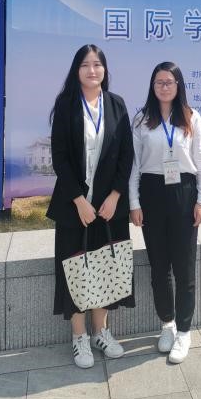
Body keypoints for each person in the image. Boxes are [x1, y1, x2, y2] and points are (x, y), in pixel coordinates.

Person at [47, 44, 134, 368]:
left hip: (109, 207)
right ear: (77, 70)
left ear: (105, 70)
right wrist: (79, 200)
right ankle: (79, 337)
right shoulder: (66, 104)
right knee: (75, 268)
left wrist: (115, 195)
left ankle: (101, 332)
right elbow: (60, 158)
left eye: (97, 64)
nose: (92, 70)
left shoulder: (117, 104)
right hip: (75, 206)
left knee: (106, 268)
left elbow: (126, 155)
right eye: (85, 65)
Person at [129, 62, 201, 363]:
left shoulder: (192, 117)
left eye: (169, 82)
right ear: (152, 86)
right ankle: (167, 324)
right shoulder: (142, 120)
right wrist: (134, 202)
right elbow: (133, 165)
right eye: (159, 82)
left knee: (184, 268)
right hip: (152, 193)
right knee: (159, 267)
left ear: (179, 85)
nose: (164, 87)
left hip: (184, 194)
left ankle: (184, 332)